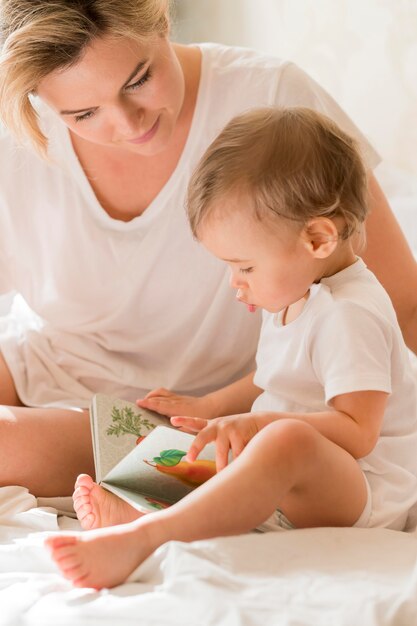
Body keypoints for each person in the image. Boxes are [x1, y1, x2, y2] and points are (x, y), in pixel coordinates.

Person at [0, 1, 416, 498]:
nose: (129, 126)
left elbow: (400, 304)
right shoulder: (15, 138)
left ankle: (165, 485)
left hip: (212, 409)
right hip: (44, 368)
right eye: (83, 114)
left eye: (137, 80)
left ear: (162, 21)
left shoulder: (274, 101)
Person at [45, 107, 417, 590]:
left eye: (244, 267)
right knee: (182, 446)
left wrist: (259, 425)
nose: (235, 284)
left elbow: (358, 432)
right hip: (301, 473)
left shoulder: (350, 314)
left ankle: (146, 537)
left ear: (318, 238)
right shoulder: (299, 287)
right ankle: (138, 505)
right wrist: (211, 408)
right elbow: (274, 377)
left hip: (363, 487)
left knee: (284, 443)